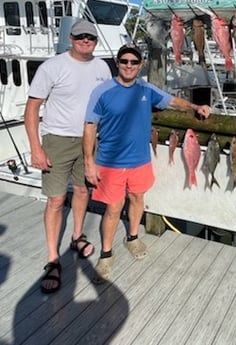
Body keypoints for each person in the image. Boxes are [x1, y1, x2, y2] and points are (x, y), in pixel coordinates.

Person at [83, 45, 211, 283]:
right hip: (110, 162)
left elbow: (172, 102)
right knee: (113, 208)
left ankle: (132, 237)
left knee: (138, 199)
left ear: (140, 65)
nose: (128, 66)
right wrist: (89, 161)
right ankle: (106, 253)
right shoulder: (102, 91)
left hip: (140, 160)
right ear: (117, 63)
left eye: (133, 62)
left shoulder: (146, 88)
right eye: (124, 61)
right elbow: (90, 126)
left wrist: (195, 107)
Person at [25, 20, 112, 294]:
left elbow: (107, 103)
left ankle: (76, 237)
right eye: (80, 36)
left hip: (89, 141)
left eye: (91, 37)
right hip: (57, 140)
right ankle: (53, 258)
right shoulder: (52, 66)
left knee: (83, 191)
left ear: (96, 41)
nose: (85, 40)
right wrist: (36, 148)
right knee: (56, 199)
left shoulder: (101, 67)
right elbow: (32, 108)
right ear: (71, 38)